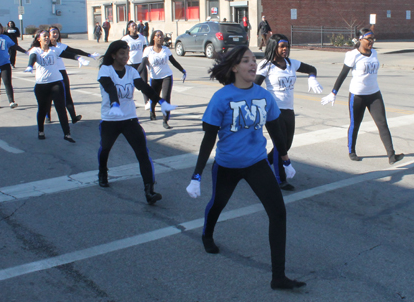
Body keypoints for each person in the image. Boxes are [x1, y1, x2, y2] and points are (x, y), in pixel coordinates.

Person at [185, 45, 305, 291]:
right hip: (227, 166)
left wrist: (285, 159)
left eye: (254, 60)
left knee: (278, 213)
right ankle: (207, 234)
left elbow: (275, 130)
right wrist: (196, 175)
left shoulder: (263, 95)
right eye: (246, 61)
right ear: (234, 68)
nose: (252, 64)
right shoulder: (222, 97)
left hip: (256, 164)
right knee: (218, 204)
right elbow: (208, 139)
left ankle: (278, 277)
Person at [97, 40, 176, 203]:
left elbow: (144, 87)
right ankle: (103, 172)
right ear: (113, 55)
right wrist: (115, 104)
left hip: (129, 119)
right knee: (105, 149)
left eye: (127, 53)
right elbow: (110, 88)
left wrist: (160, 101)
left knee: (142, 154)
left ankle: (149, 191)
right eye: (122, 53)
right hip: (110, 119)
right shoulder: (105, 70)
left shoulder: (131, 72)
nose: (126, 56)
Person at [321, 28, 404, 165]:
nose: (371, 41)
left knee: (382, 123)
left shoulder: (374, 53)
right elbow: (343, 74)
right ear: (360, 39)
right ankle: (351, 151)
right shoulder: (353, 55)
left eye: (373, 39)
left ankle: (391, 155)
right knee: (355, 123)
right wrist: (333, 92)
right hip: (357, 95)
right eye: (368, 39)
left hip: (374, 94)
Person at [255, 34, 323, 191]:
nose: (285, 49)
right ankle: (280, 180)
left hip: (288, 110)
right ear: (274, 47)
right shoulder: (266, 65)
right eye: (281, 46)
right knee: (281, 146)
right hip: (273, 111)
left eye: (287, 46)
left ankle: (259, 168)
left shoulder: (291, 63)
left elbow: (312, 69)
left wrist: (312, 77)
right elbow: (256, 87)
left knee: (287, 144)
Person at [25, 30, 78, 143]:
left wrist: (79, 58)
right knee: (43, 109)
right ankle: (41, 131)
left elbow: (67, 54)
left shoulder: (54, 49)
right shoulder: (35, 50)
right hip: (41, 85)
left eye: (47, 36)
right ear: (38, 38)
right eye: (44, 36)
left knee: (61, 109)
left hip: (56, 83)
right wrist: (30, 66)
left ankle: (67, 134)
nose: (47, 38)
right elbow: (33, 57)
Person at [47, 26, 99, 124]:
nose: (55, 34)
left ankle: (73, 116)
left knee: (67, 94)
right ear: (48, 34)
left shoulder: (61, 46)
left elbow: (74, 51)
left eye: (57, 32)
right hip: (50, 72)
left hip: (61, 72)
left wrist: (89, 55)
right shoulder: (45, 47)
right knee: (49, 95)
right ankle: (47, 116)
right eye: (53, 32)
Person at [140, 30, 186, 129]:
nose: (160, 37)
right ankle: (152, 110)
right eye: (158, 35)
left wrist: (182, 70)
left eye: (161, 36)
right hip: (155, 78)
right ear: (153, 37)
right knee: (154, 98)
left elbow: (173, 61)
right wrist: (134, 73)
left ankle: (165, 121)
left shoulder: (165, 49)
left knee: (166, 98)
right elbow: (143, 64)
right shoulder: (148, 50)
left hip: (167, 76)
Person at [122, 21, 149, 108]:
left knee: (144, 83)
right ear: (128, 28)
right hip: (130, 65)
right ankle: (128, 102)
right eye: (132, 26)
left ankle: (147, 102)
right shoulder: (125, 39)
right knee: (130, 84)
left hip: (140, 64)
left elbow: (145, 50)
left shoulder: (142, 38)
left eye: (135, 26)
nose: (135, 27)